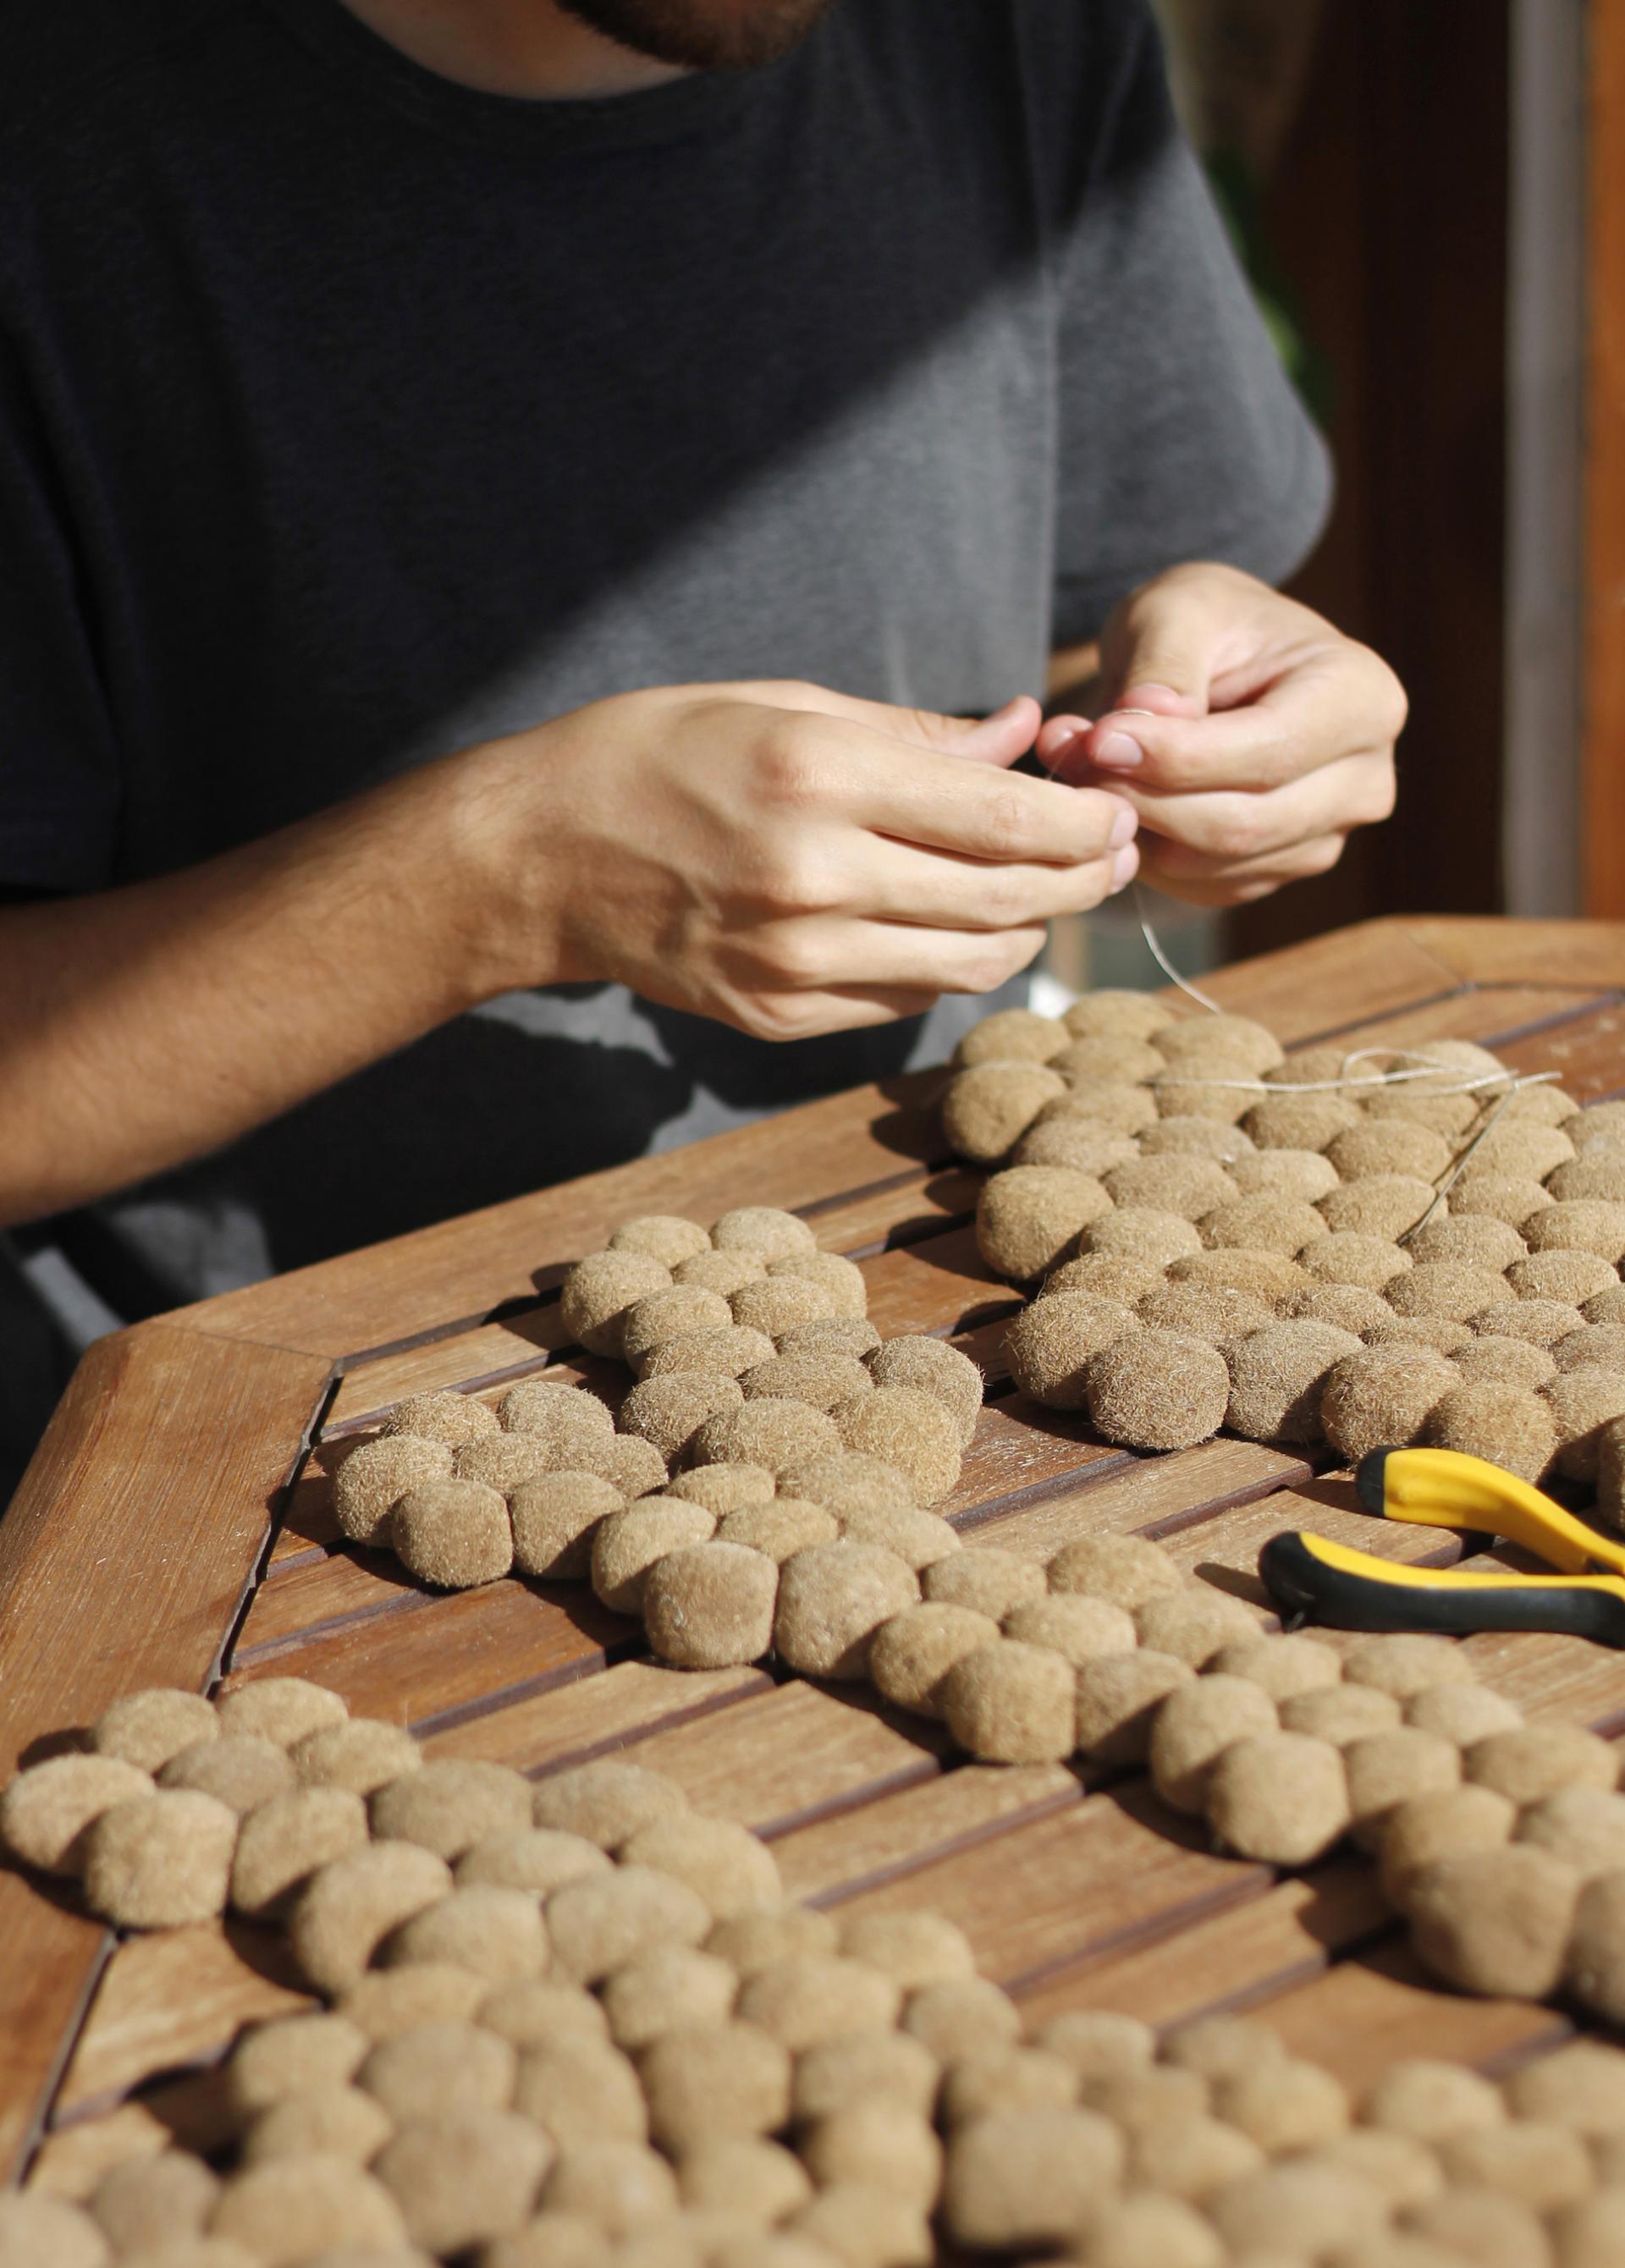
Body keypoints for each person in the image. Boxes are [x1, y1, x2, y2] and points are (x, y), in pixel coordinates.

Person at [0, 0, 1404, 1495]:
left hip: (943, 1330)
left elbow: (1062, 639)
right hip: (263, 1473)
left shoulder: (1012, 33)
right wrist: (505, 874)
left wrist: (1201, 717)